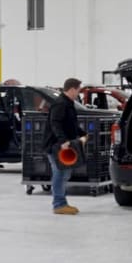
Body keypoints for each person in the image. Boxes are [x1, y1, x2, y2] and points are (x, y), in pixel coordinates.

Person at [44, 78, 87, 215]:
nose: (78, 93)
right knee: (59, 173)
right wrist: (63, 141)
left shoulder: (68, 104)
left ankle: (62, 202)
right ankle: (59, 204)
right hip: (56, 146)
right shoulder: (60, 104)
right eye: (78, 90)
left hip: (63, 144)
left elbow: (71, 125)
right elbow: (55, 123)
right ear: (72, 89)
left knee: (64, 173)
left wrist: (83, 134)